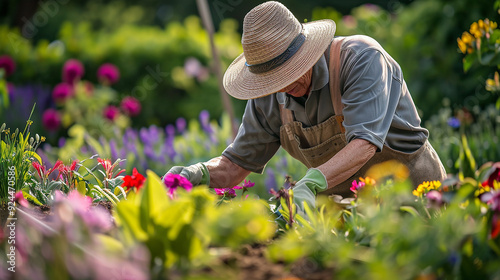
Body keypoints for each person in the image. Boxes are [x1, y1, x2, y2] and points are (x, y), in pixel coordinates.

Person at [165, 1, 446, 210]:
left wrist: (310, 181)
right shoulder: (268, 94)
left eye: (288, 72)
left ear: (306, 52)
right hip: (347, 214)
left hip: (415, 201)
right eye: (272, 80)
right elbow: (235, 165)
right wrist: (199, 172)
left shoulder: (360, 59)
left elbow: (364, 143)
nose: (282, 86)